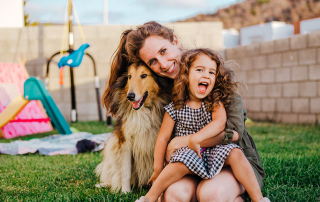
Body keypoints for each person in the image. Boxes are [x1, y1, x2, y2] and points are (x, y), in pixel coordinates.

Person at [102, 21, 267, 202]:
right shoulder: (165, 90)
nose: (163, 64)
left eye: (163, 51)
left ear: (175, 41)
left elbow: (233, 133)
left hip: (231, 160)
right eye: (153, 61)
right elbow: (161, 137)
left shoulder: (213, 74)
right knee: (174, 194)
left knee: (211, 194)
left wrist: (187, 140)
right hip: (189, 163)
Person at [135, 48, 269, 202]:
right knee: (177, 164)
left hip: (215, 151)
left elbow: (220, 124)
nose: (206, 75)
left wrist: (196, 138)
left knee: (236, 153)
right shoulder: (175, 107)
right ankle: (149, 198)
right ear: (186, 75)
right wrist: (158, 168)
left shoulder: (214, 102)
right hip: (188, 155)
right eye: (200, 70)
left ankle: (259, 199)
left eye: (211, 73)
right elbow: (163, 139)